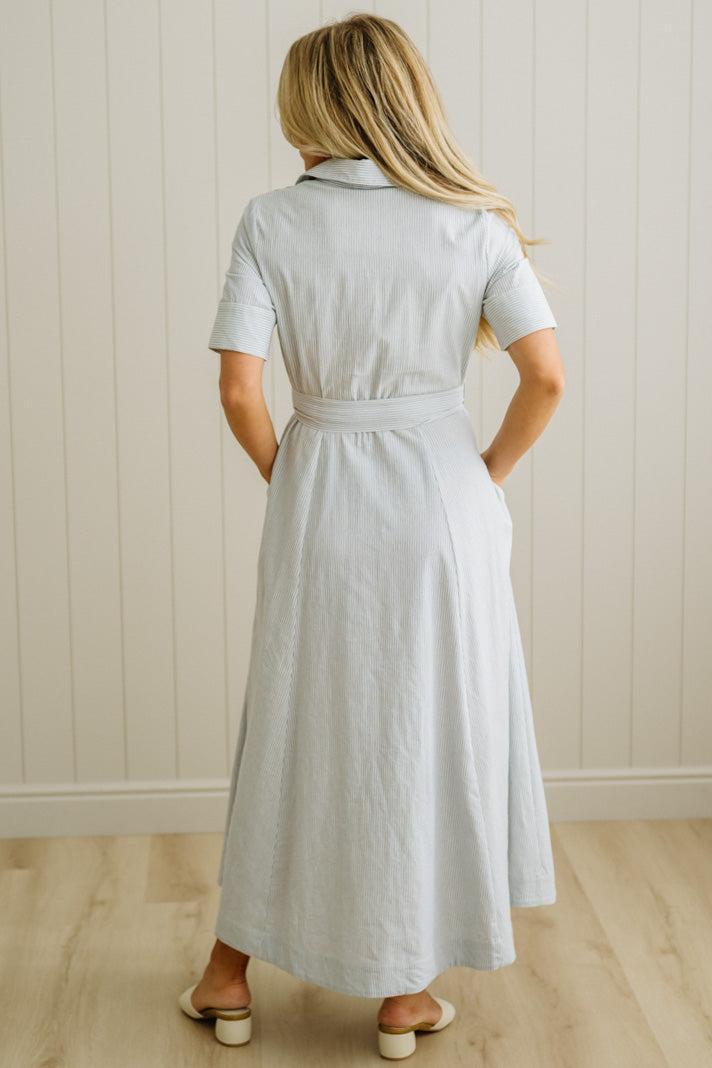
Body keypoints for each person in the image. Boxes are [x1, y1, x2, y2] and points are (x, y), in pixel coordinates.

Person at [179, 12, 564, 1060]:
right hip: (444, 501)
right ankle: (402, 994)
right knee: (426, 724)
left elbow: (236, 386)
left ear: (309, 107)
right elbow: (546, 377)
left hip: (323, 493)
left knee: (298, 727)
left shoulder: (270, 221)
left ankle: (228, 977)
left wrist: (288, 474)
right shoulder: (471, 222)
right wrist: (480, 479)